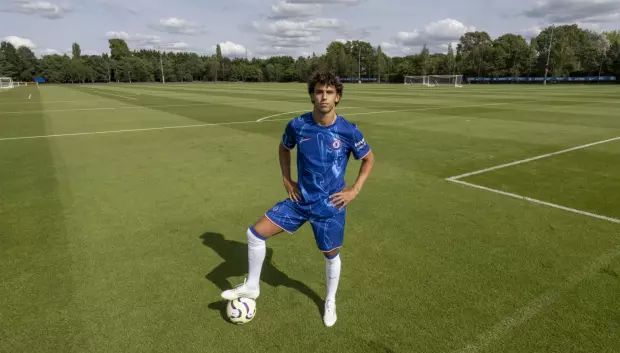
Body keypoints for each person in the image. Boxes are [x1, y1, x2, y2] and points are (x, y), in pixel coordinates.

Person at [221, 70, 375, 327]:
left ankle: (330, 300)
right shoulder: (298, 125)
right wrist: (286, 178)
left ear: (337, 97)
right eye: (318, 92)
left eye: (329, 92)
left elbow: (368, 159)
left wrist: (355, 189)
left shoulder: (348, 131)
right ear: (312, 95)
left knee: (330, 255)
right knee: (254, 234)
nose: (323, 97)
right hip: (300, 199)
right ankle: (252, 287)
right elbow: (284, 147)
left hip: (330, 205)